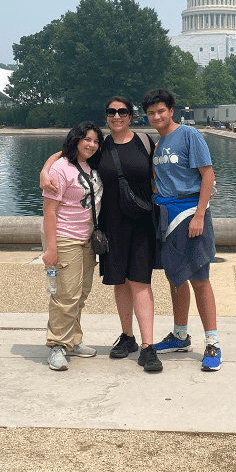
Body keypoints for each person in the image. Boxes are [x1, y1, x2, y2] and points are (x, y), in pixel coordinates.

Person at [40, 98, 163, 373]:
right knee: (112, 283)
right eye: (111, 111)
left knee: (138, 283)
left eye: (122, 111)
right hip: (110, 228)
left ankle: (148, 345)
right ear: (107, 116)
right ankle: (122, 337)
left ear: (131, 116)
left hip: (141, 225)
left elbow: (164, 172)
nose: (117, 116)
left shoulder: (145, 142)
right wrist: (45, 169)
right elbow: (67, 155)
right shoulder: (102, 146)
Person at [142, 88, 222, 372]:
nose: (156, 117)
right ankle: (180, 335)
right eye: (151, 113)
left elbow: (208, 175)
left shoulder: (190, 135)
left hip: (190, 213)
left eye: (161, 111)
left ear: (171, 111)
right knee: (176, 278)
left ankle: (212, 342)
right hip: (166, 215)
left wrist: (200, 215)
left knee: (200, 278)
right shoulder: (158, 144)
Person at [41, 121, 103, 372]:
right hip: (65, 237)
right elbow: (49, 211)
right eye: (87, 139)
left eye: (96, 141)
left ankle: (73, 340)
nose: (92, 145)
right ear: (76, 139)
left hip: (88, 238)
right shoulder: (60, 169)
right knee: (65, 295)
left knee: (81, 293)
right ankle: (57, 345)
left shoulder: (93, 165)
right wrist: (51, 248)